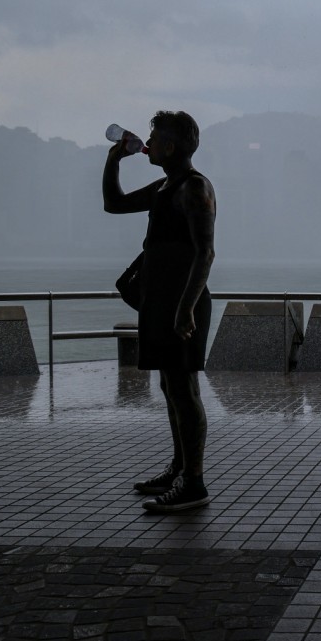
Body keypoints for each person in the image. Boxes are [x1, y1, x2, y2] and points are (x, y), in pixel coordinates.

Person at [103, 111, 216, 511]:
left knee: (184, 391)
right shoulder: (164, 186)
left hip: (182, 305)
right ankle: (179, 468)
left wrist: (185, 310)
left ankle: (194, 484)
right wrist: (114, 160)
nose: (147, 141)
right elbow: (113, 204)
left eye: (153, 136)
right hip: (162, 302)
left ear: (170, 146)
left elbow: (206, 253)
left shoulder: (195, 187)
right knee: (172, 387)